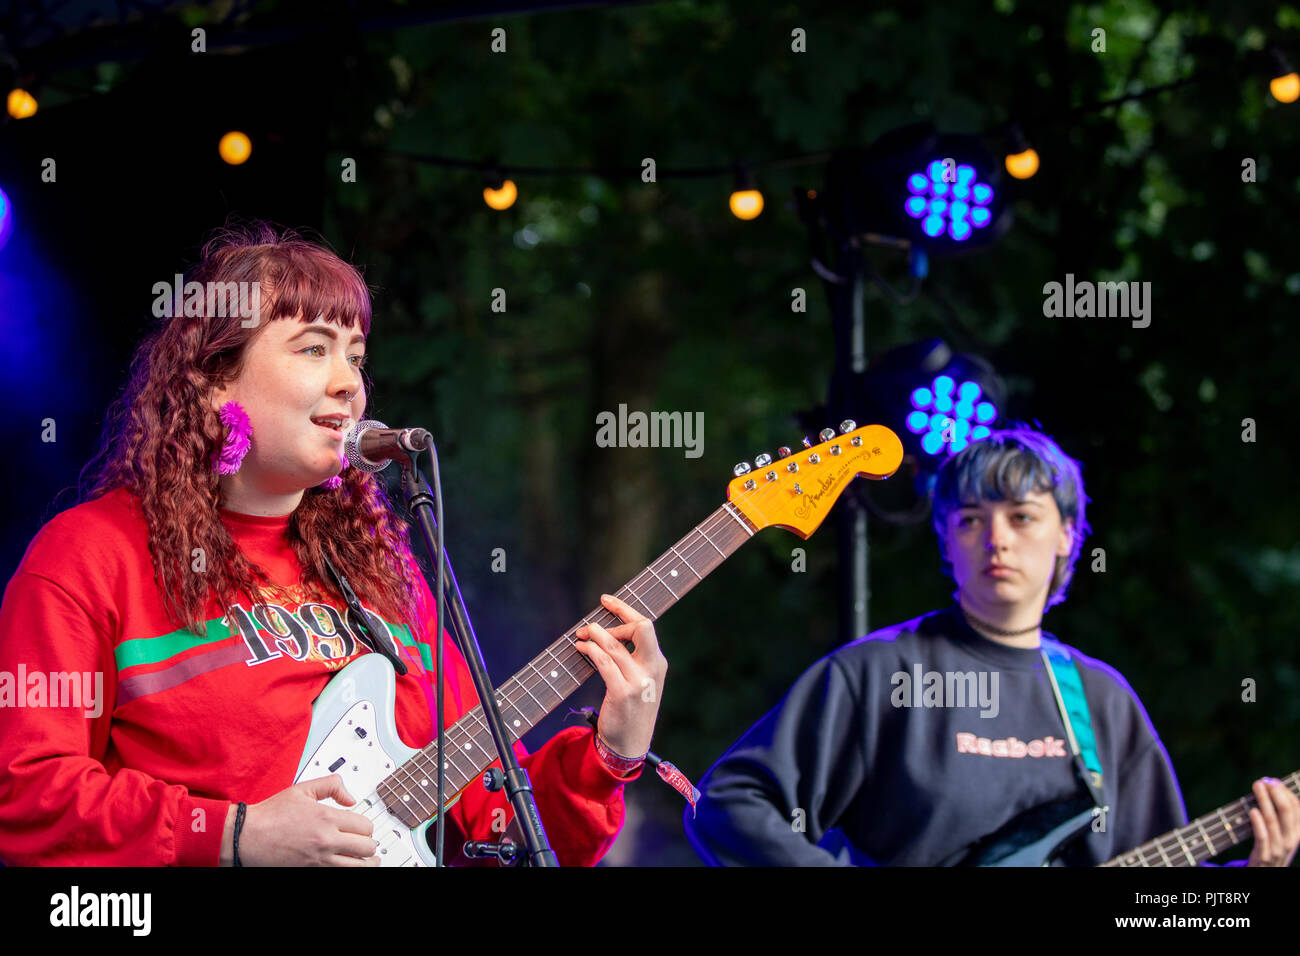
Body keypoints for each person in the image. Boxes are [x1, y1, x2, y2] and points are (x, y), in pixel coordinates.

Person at [0, 222, 667, 866]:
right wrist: (236, 834)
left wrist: (608, 756)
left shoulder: (385, 571)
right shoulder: (90, 555)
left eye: (356, 357)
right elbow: (27, 798)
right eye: (314, 348)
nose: (350, 382)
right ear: (213, 380)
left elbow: (495, 836)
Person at [683, 427, 1297, 866]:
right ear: (947, 540)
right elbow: (728, 803)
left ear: (1068, 535)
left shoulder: (1103, 701)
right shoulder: (876, 672)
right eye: (971, 519)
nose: (996, 540)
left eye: (1022, 517)